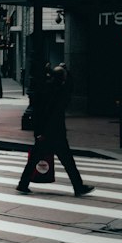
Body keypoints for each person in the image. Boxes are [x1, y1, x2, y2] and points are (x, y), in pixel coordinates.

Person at [17, 64, 93, 196]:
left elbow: (38, 113)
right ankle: (78, 186)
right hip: (54, 133)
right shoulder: (58, 92)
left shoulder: (46, 89)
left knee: (35, 160)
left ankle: (23, 184)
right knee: (68, 162)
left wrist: (39, 132)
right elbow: (67, 91)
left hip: (46, 133)